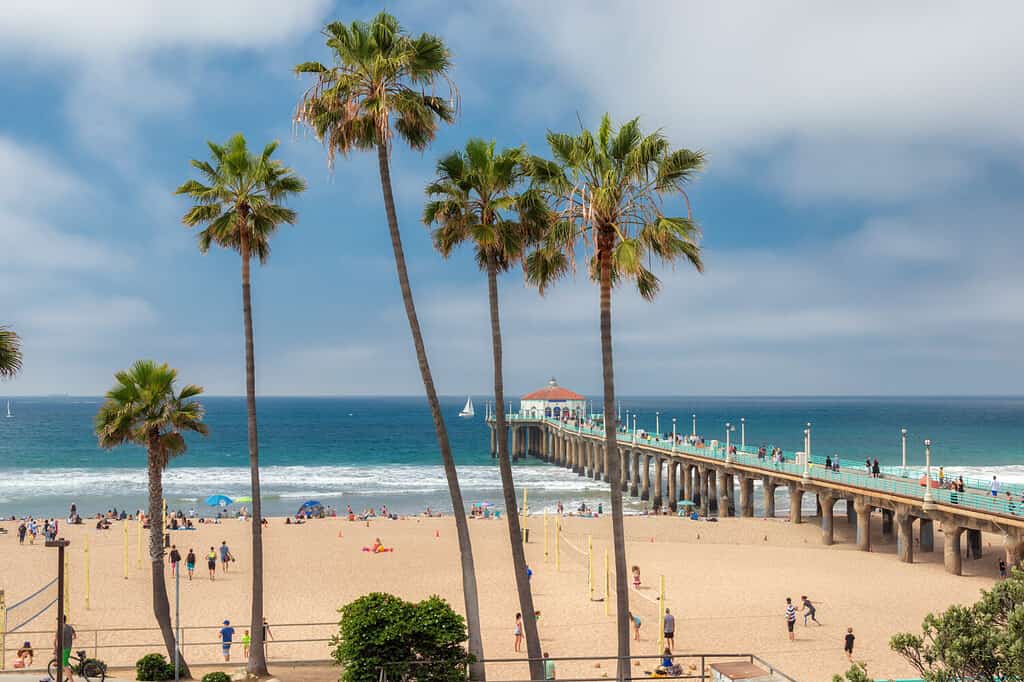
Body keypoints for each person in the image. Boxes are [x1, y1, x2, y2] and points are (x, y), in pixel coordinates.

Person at [57, 615, 75, 680]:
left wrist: (55, 649)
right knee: (64, 663)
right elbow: (74, 636)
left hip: (64, 648)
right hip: (69, 647)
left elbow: (57, 640)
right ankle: (66, 675)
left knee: (65, 665)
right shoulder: (70, 627)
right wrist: (70, 640)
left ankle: (71, 680)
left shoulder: (60, 629)